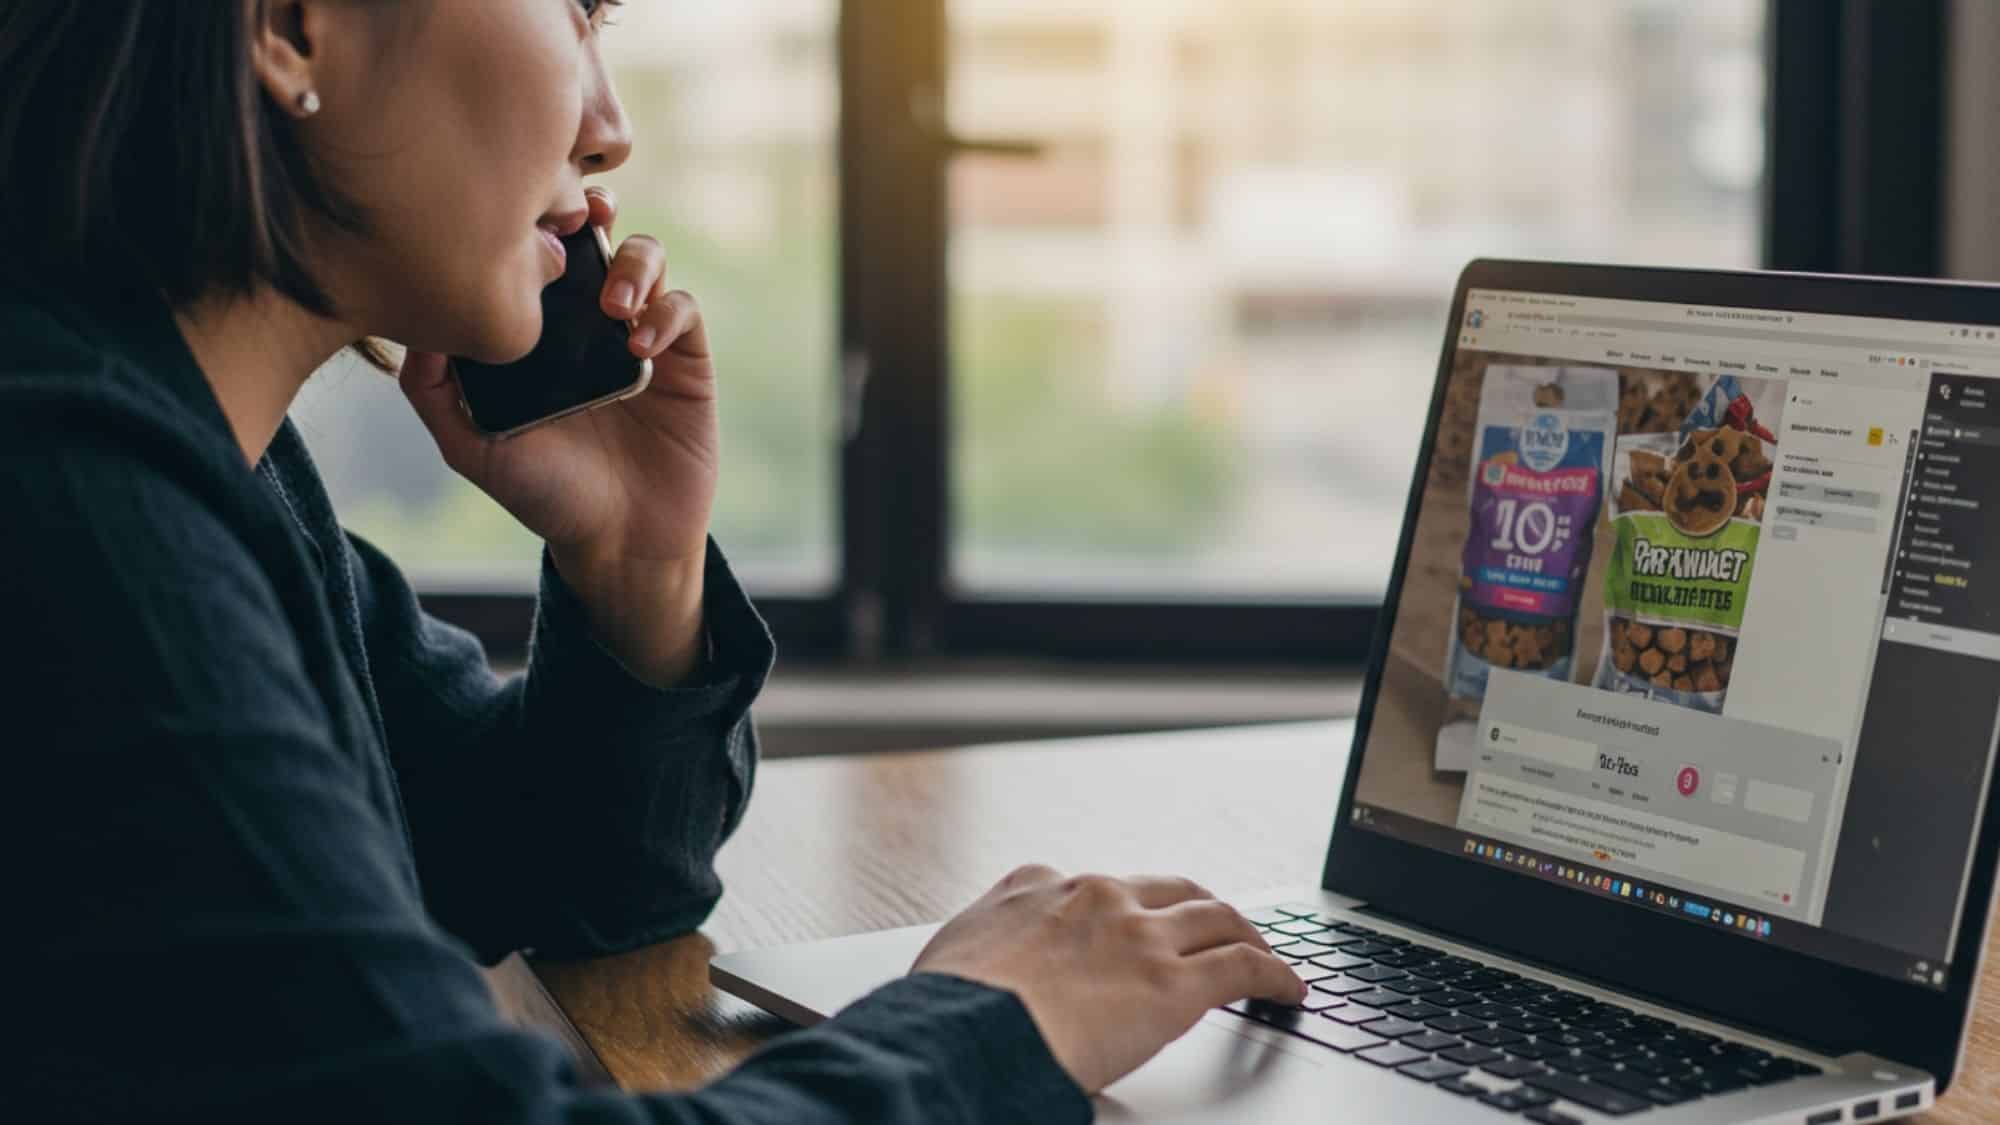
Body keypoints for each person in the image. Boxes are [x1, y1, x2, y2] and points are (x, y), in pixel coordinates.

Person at [0, 2, 1304, 1121]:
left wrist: (634, 558)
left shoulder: (206, 459)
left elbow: (554, 877)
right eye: (575, 10)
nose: (608, 124)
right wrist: (995, 1019)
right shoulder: (78, 511)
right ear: (289, 26)